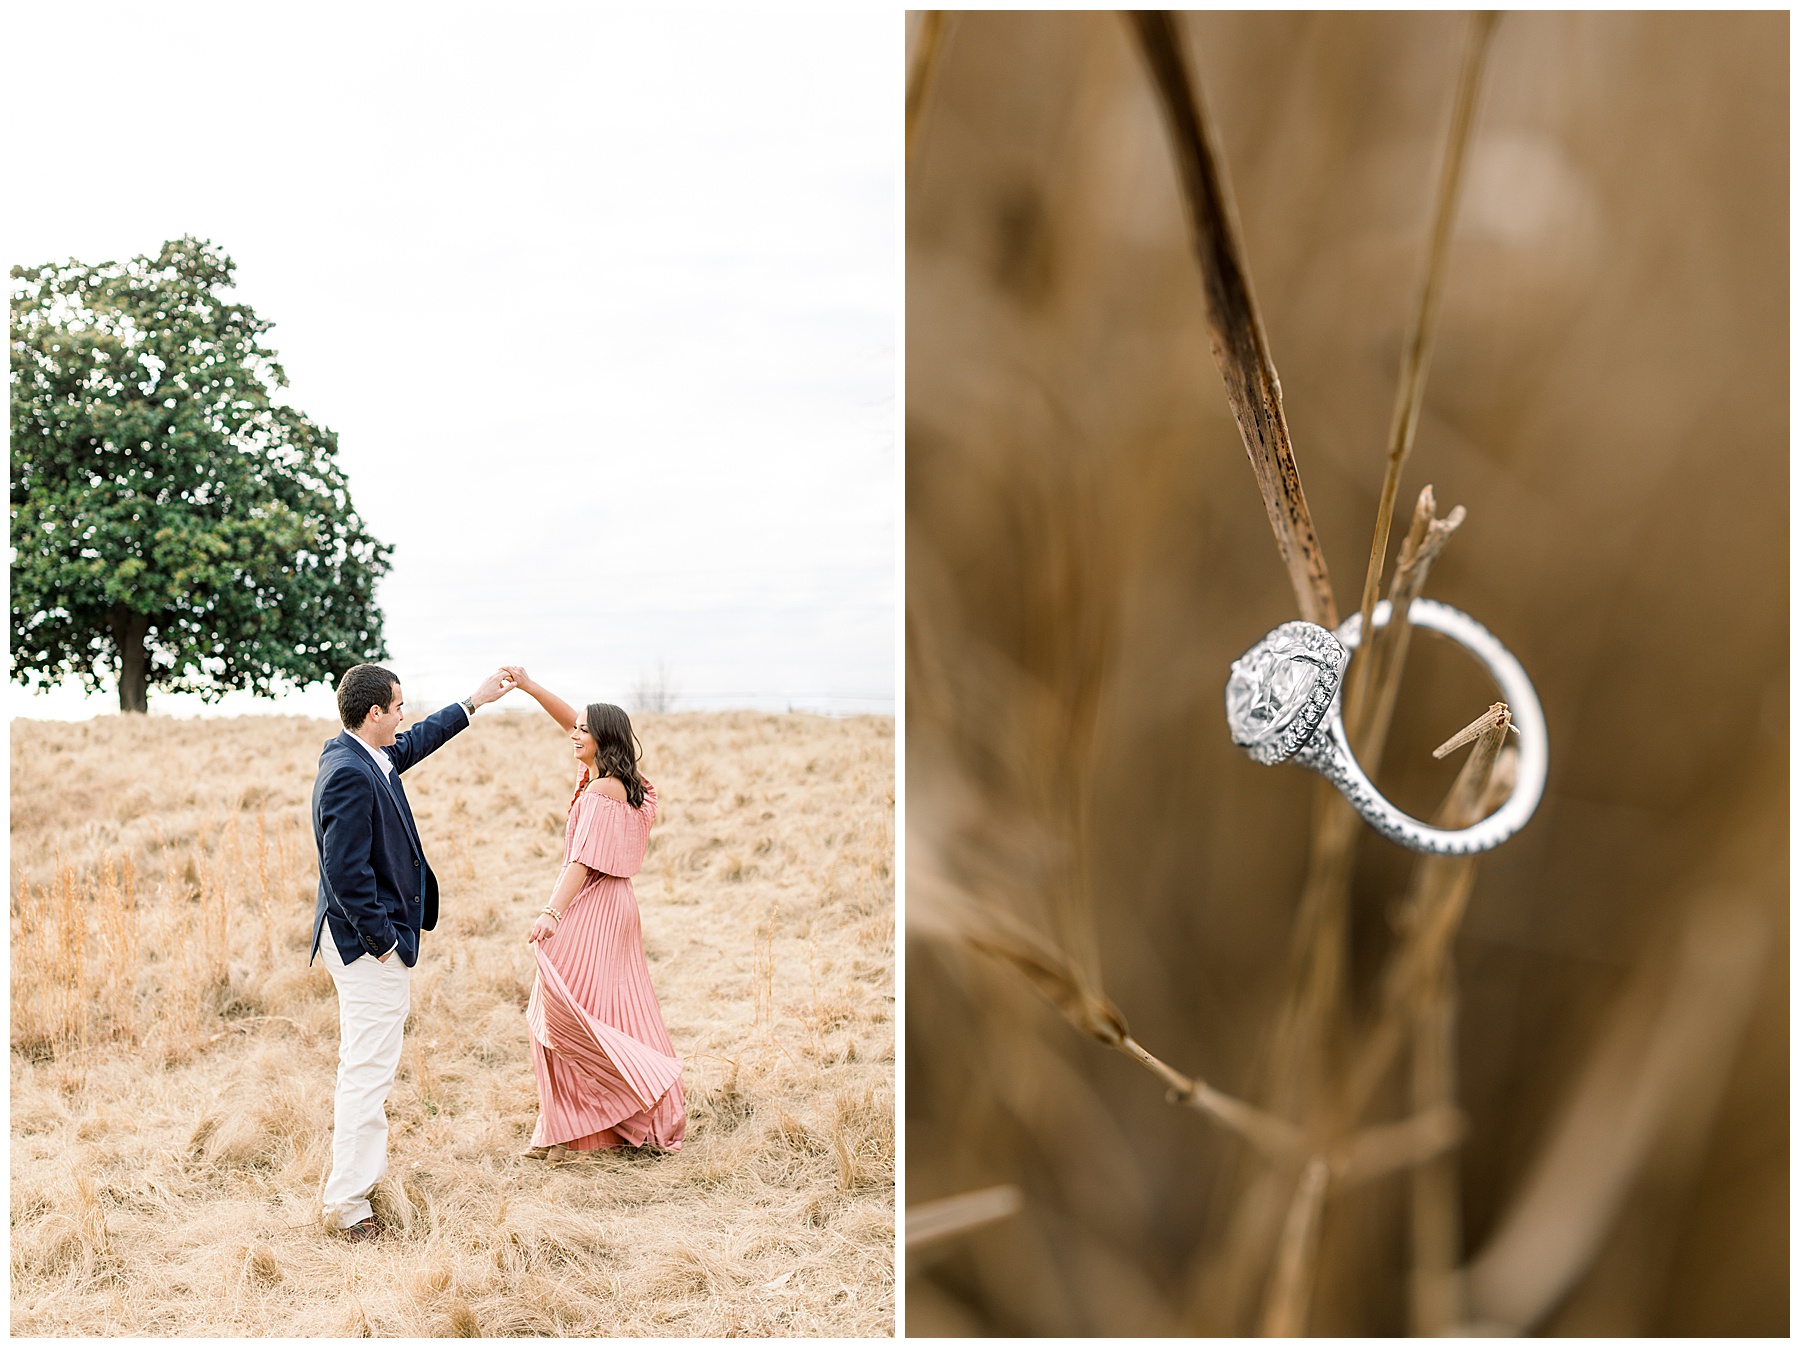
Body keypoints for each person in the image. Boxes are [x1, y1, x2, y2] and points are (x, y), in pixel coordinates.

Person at [310, 662, 514, 1236]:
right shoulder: (350, 772)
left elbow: (420, 739)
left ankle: (353, 1190)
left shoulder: (366, 753)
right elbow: (344, 871)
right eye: (398, 707)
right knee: (367, 1074)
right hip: (364, 946)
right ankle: (348, 1207)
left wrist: (474, 702)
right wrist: (384, 943)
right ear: (374, 713)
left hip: (366, 941)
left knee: (365, 1066)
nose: (405, 716)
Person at [503, 665, 686, 1159]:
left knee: (564, 1014)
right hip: (617, 906)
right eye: (576, 727)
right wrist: (531, 686)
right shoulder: (632, 785)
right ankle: (582, 1128)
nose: (573, 734)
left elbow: (581, 862)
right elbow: (570, 721)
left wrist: (550, 914)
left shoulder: (602, 791)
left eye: (584, 730)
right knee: (600, 1016)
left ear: (602, 740)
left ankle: (583, 1127)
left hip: (593, 907)